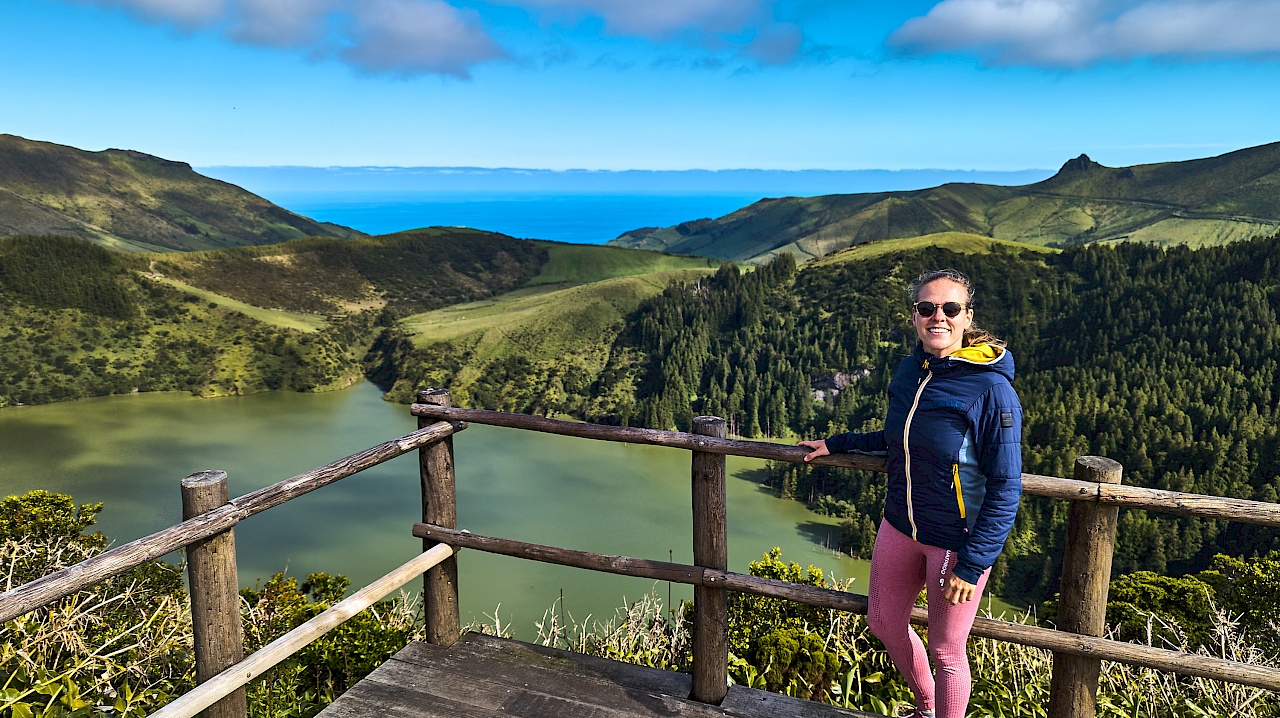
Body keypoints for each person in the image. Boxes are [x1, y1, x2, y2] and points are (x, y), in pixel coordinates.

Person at [798, 268, 1022, 718]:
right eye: (927, 308)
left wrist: (974, 563)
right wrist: (837, 444)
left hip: (955, 544)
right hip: (899, 525)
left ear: (966, 317)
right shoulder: (909, 371)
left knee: (946, 651)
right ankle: (924, 707)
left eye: (950, 308)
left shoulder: (992, 389)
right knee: (882, 622)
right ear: (914, 316)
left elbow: (1005, 487)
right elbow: (898, 435)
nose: (937, 316)